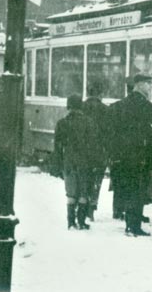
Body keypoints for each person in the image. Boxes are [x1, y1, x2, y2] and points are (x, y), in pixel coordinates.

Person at [110, 73, 152, 236]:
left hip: (123, 156)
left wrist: (115, 154)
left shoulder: (120, 105)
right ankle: (134, 226)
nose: (150, 87)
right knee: (138, 190)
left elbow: (112, 132)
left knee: (128, 188)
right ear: (138, 85)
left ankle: (129, 223)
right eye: (148, 84)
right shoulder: (146, 106)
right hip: (141, 155)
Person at [53, 95, 98, 230]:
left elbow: (57, 146)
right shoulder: (89, 122)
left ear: (68, 106)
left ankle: (71, 222)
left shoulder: (62, 123)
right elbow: (93, 145)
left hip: (69, 161)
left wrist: (59, 163)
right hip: (85, 162)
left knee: (71, 193)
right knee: (83, 193)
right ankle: (81, 221)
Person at [107, 76, 135, 220]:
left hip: (118, 151)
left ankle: (117, 210)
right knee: (131, 181)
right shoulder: (138, 107)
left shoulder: (116, 107)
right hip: (132, 151)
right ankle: (129, 211)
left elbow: (110, 131)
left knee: (118, 181)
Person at [82, 81, 109, 221]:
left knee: (84, 177)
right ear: (100, 94)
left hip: (83, 150)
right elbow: (109, 132)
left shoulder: (81, 107)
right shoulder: (105, 109)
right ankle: (91, 207)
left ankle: (82, 204)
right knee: (96, 179)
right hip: (99, 151)